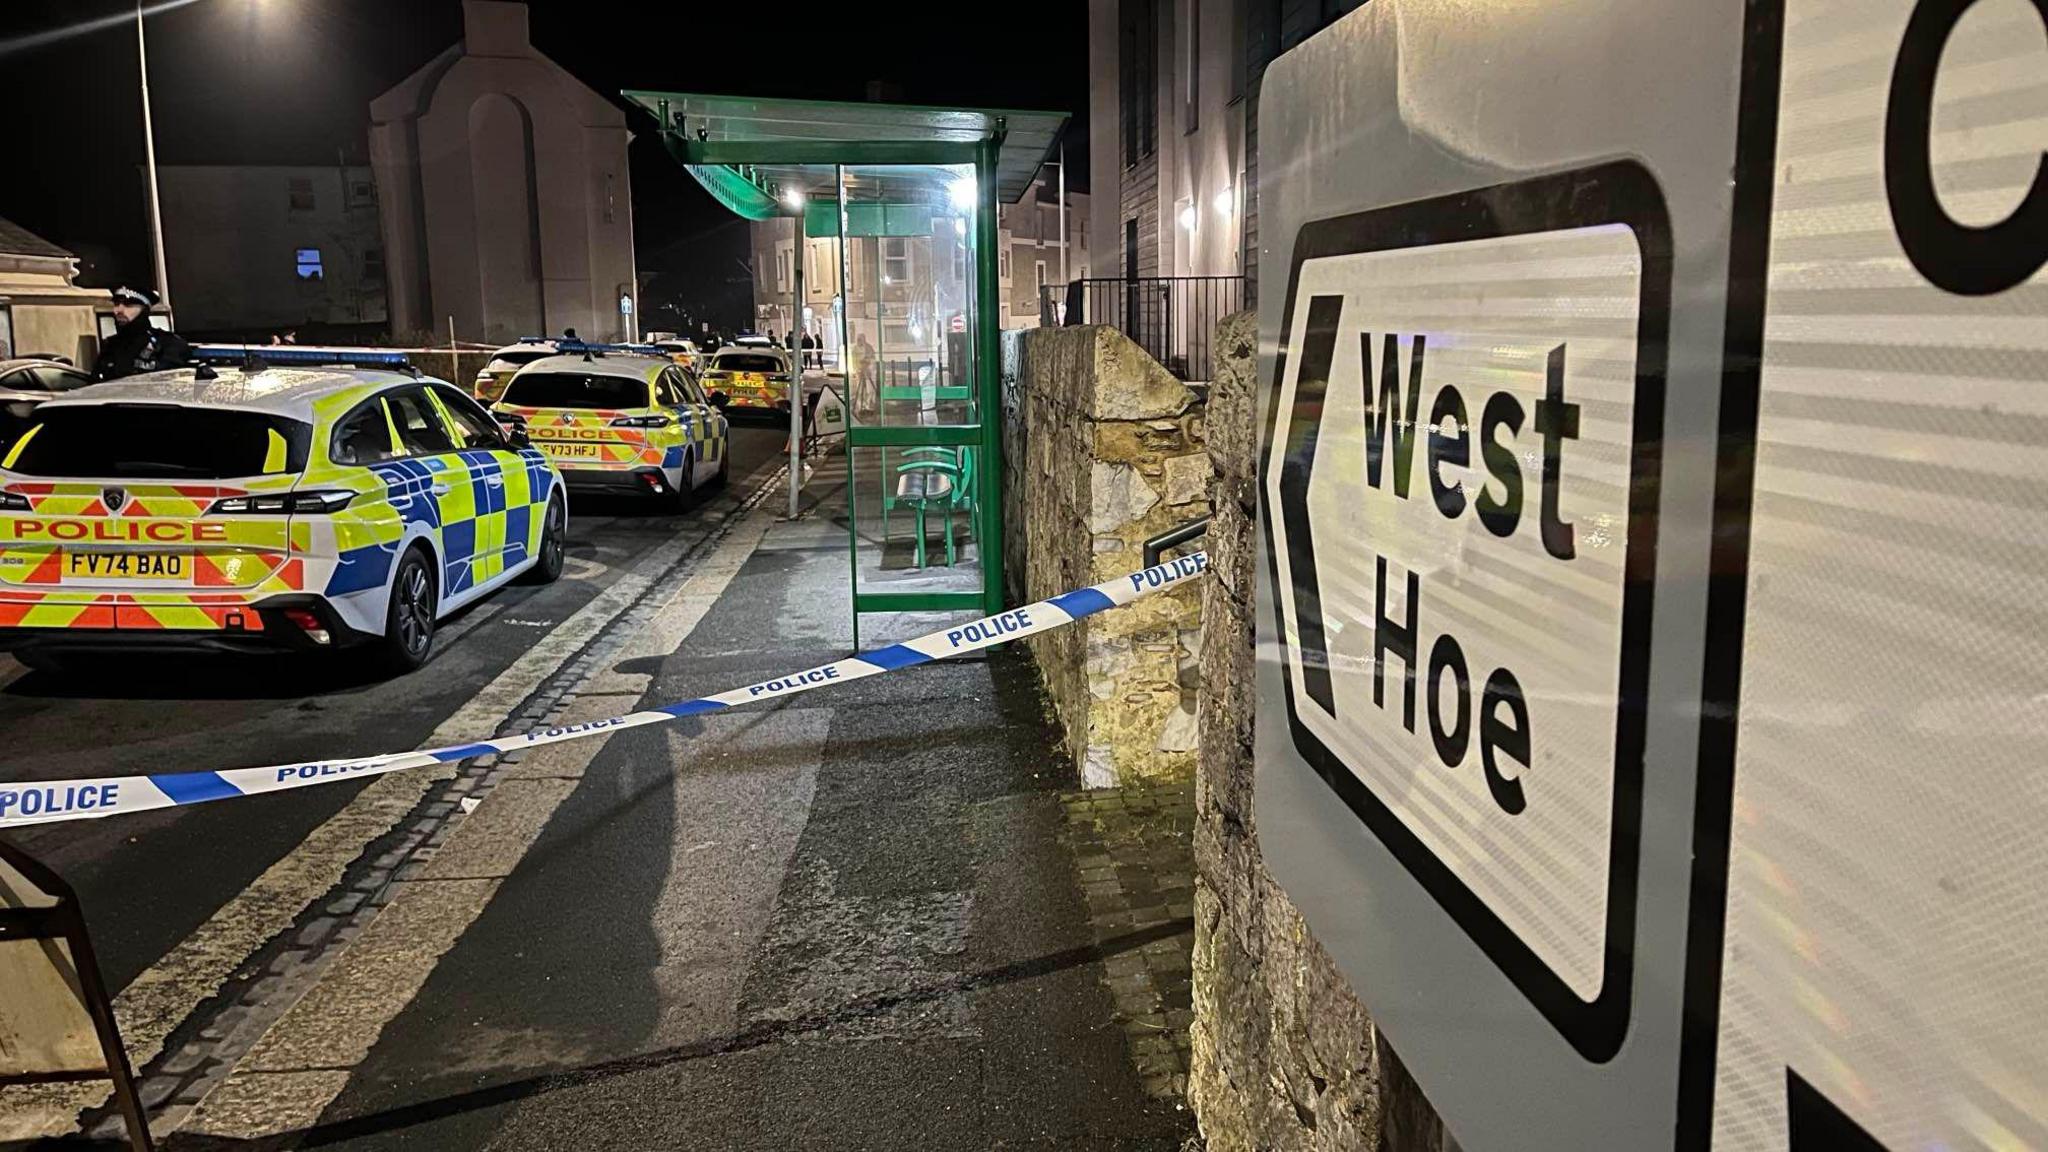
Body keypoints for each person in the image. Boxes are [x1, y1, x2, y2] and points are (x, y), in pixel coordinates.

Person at [94, 286, 190, 381]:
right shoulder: (110, 347)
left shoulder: (168, 344)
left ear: (144, 309)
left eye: (128, 305)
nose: (118, 310)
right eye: (116, 304)